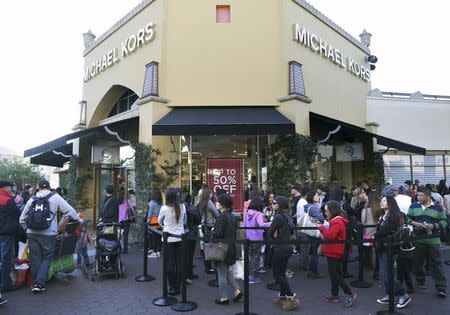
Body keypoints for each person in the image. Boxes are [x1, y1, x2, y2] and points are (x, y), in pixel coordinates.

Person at [19, 179, 80, 293]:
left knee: (35, 257)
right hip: (49, 233)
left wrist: (27, 228)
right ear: (49, 187)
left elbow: (22, 218)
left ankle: (35, 283)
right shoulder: (55, 197)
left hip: (32, 233)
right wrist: (76, 218)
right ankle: (39, 283)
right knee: (47, 257)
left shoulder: (32, 199)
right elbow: (69, 210)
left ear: (38, 187)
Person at [406, 187, 447, 297]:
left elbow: (444, 221)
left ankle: (441, 287)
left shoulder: (438, 208)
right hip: (418, 239)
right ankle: (420, 280)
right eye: (417, 195)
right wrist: (414, 223)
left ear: (428, 196)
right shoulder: (414, 205)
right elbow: (407, 218)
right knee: (418, 262)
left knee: (437, 264)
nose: (418, 197)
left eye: (421, 195)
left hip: (433, 240)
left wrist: (433, 226)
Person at [316, 201, 356, 307]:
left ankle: (349, 293)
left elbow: (330, 235)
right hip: (333, 251)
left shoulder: (337, 222)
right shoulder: (335, 220)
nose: (325, 213)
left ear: (332, 210)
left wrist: (321, 227)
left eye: (326, 211)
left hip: (335, 251)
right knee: (334, 274)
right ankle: (334, 294)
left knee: (334, 274)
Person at [374, 196, 411, 309]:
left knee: (387, 275)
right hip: (382, 246)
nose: (381, 202)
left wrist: (374, 235)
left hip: (390, 248)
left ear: (390, 203)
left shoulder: (394, 215)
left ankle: (403, 295)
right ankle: (389, 294)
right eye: (381, 200)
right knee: (383, 274)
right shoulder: (383, 215)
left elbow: (386, 230)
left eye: (384, 201)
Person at [210, 193, 243, 305]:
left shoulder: (222, 216)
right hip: (230, 247)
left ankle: (224, 298)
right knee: (226, 271)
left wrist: (210, 235)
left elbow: (218, 234)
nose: (216, 203)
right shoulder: (231, 216)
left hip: (221, 249)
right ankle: (237, 290)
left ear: (223, 204)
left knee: (221, 273)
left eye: (218, 202)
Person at [269, 195, 300, 311]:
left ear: (280, 205)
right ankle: (283, 297)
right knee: (281, 273)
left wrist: (273, 235)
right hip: (287, 248)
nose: (272, 204)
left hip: (280, 249)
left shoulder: (277, 217)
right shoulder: (286, 216)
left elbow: (270, 233)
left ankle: (291, 298)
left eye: (274, 203)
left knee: (278, 275)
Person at [158, 188, 186, 296]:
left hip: (168, 239)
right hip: (180, 238)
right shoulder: (182, 207)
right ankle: (178, 286)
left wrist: (165, 226)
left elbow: (160, 222)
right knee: (179, 263)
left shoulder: (164, 208)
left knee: (170, 264)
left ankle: (172, 287)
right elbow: (184, 221)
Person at [244, 197, 271, 284]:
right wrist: (271, 223)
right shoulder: (258, 214)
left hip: (248, 237)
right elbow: (262, 224)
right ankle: (251, 276)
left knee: (250, 256)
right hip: (257, 238)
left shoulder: (247, 212)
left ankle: (248, 274)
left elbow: (245, 224)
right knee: (256, 257)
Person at [0, 180, 21, 293]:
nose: (11, 189)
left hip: (2, 231)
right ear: (4, 187)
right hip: (7, 232)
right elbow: (18, 214)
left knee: (3, 257)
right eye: (9, 187)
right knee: (6, 258)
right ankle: (5, 284)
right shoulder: (7, 200)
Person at [198, 187, 219, 274]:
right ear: (208, 194)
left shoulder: (201, 202)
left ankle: (207, 265)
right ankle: (209, 267)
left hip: (203, 225)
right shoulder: (209, 202)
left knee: (205, 245)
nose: (212, 194)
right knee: (210, 246)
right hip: (210, 226)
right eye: (210, 193)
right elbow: (217, 214)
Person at [304, 189, 324, 279]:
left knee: (313, 251)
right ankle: (314, 272)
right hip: (314, 231)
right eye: (316, 196)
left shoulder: (307, 206)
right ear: (311, 197)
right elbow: (320, 217)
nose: (317, 197)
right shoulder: (312, 207)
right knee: (315, 252)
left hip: (309, 231)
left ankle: (312, 270)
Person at [361, 191, 382, 279]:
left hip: (367, 234)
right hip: (377, 234)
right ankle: (377, 273)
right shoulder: (381, 209)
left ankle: (365, 268)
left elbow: (363, 222)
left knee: (365, 252)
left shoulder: (365, 209)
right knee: (378, 255)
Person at [182, 192, 201, 283]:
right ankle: (189, 274)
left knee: (184, 254)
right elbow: (198, 220)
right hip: (192, 232)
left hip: (182, 233)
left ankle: (185, 275)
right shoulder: (192, 208)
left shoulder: (180, 208)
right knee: (190, 254)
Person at [147, 188, 163, 258]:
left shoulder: (152, 203)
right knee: (158, 237)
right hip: (159, 220)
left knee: (154, 237)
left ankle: (155, 252)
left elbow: (150, 213)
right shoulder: (160, 202)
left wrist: (147, 221)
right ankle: (158, 251)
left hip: (153, 220)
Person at [118, 188, 132, 253]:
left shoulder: (118, 202)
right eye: (125, 194)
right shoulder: (127, 201)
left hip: (119, 220)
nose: (126, 196)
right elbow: (132, 209)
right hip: (126, 220)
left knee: (119, 235)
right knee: (125, 235)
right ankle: (124, 249)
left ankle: (121, 248)